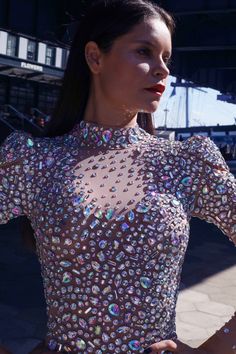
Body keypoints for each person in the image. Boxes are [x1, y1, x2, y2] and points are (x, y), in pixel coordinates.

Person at [0, 0, 235, 353]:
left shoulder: (186, 162)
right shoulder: (34, 161)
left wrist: (217, 347)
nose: (162, 71)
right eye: (145, 51)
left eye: (166, 58)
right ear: (94, 57)